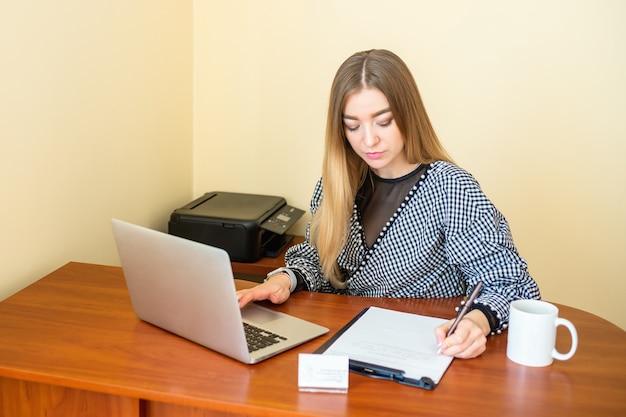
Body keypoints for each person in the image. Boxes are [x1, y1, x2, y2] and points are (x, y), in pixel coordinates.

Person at [237, 49, 541, 359]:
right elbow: (318, 261)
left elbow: (510, 283)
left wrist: (477, 322)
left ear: (408, 115)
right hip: (347, 347)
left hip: (427, 353)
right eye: (352, 126)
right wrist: (283, 280)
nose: (368, 141)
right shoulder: (337, 186)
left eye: (383, 122)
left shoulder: (449, 187)